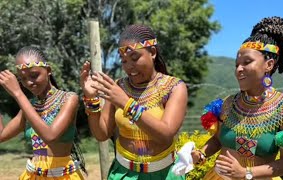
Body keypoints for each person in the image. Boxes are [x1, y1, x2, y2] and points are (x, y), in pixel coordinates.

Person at [188, 16, 283, 180]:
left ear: (269, 65)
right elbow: (217, 140)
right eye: (237, 64)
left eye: (247, 62)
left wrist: (245, 173)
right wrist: (200, 154)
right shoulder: (229, 103)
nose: (239, 69)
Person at [80, 24, 188, 179]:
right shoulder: (119, 87)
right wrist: (91, 98)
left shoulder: (174, 87)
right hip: (123, 173)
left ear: (152, 52)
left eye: (135, 58)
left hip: (163, 174)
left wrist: (127, 104)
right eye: (123, 61)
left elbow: (165, 134)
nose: (129, 67)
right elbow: (101, 133)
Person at [0, 46, 86, 179]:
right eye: (22, 79)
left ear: (48, 71)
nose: (29, 82)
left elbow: (50, 136)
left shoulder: (69, 99)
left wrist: (18, 93)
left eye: (34, 75)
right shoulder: (29, 108)